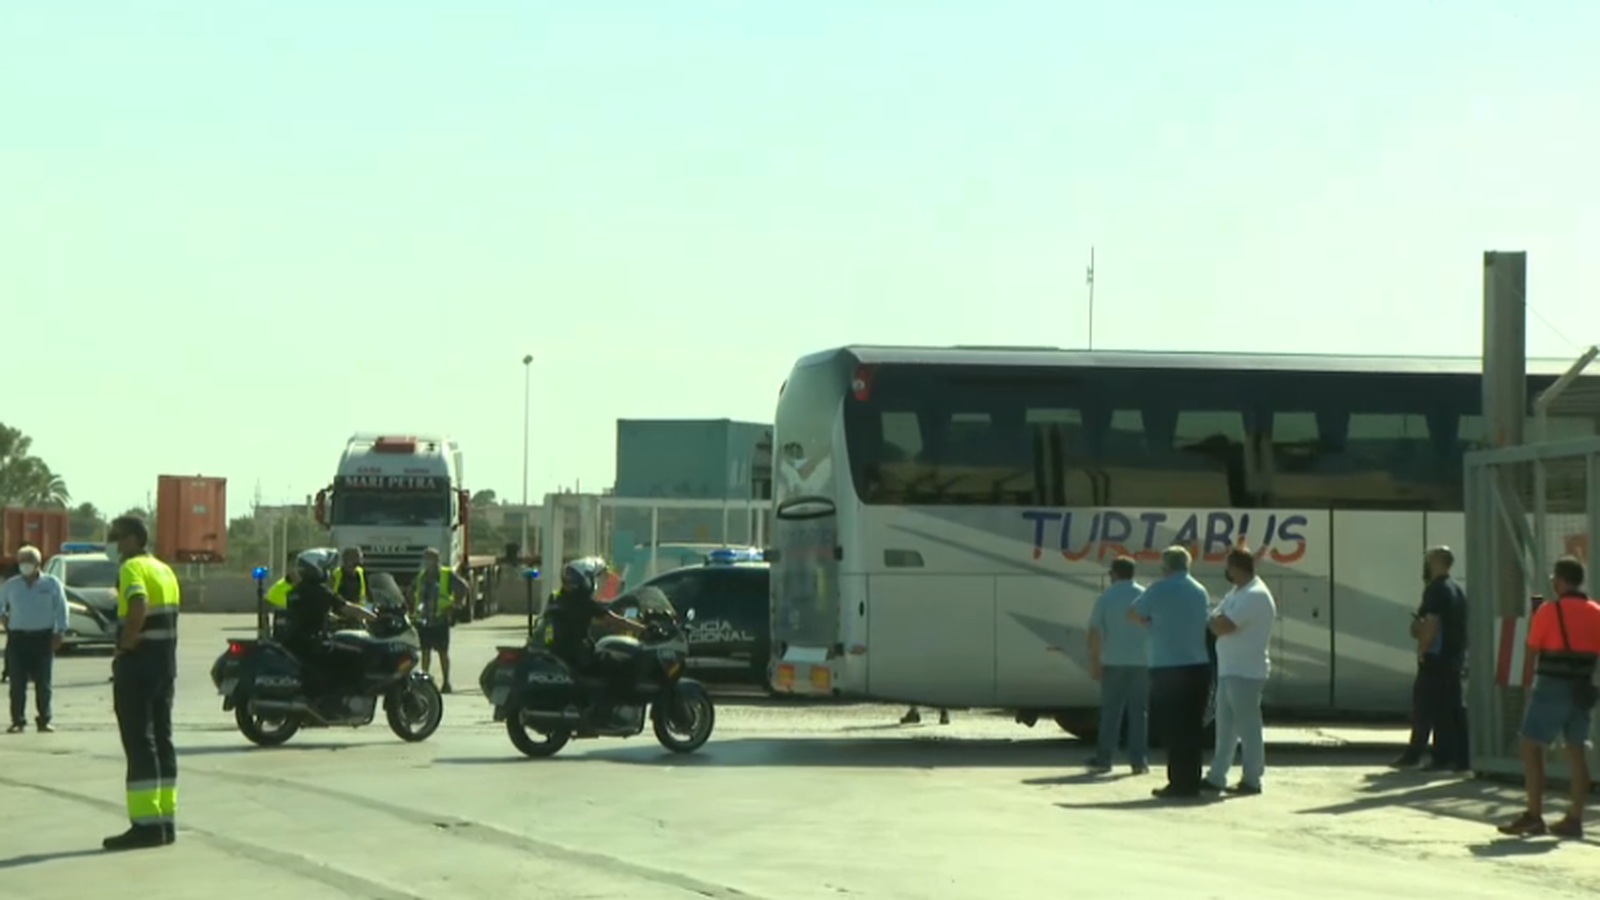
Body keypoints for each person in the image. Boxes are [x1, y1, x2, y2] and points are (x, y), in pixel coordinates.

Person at [1498, 556, 1598, 839]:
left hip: (1551, 685)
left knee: (1531, 746)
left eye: (1555, 577)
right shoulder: (1596, 612)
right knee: (1577, 752)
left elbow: (1532, 647)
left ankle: (1534, 815)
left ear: (1562, 581)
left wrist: (1529, 684)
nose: (1553, 582)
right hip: (1583, 689)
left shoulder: (1548, 611)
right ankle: (1575, 818)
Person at [103, 515, 182, 851]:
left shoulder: (131, 568)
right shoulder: (164, 570)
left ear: (135, 538)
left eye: (117, 536)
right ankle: (164, 822)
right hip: (164, 665)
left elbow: (138, 604)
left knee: (139, 742)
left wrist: (127, 642)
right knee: (162, 740)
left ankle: (145, 826)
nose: (113, 543)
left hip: (138, 664)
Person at [1128, 545, 1213, 799]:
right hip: (1198, 667)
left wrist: (1148, 623)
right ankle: (1192, 782)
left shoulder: (1158, 589)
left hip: (1167, 668)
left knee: (1174, 729)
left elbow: (1133, 612)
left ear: (1165, 567)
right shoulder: (1199, 590)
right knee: (1192, 728)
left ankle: (1177, 783)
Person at [1203, 546, 1276, 794]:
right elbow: (1215, 618)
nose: (1226, 571)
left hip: (1246, 671)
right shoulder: (1237, 592)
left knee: (1248, 728)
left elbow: (1222, 625)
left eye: (1228, 566)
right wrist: (1215, 621)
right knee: (1225, 728)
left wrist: (1215, 621)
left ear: (1236, 568)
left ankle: (1252, 779)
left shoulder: (1255, 595)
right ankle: (1217, 776)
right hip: (1229, 669)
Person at [1395, 546, 1470, 771]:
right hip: (1454, 657)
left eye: (1428, 560)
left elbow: (1432, 624)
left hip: (1436, 659)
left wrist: (1422, 649)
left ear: (1436, 562)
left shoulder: (1435, 590)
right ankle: (1460, 757)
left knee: (1426, 706)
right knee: (1452, 708)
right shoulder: (1456, 589)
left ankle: (1430, 756)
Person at [546, 557, 645, 724]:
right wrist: (644, 629)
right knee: (625, 664)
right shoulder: (583, 602)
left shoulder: (556, 598)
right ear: (584, 580)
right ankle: (607, 709)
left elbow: (590, 619)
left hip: (560, 650)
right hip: (580, 654)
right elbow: (613, 620)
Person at [283, 550, 375, 713]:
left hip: (297, 642)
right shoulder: (320, 591)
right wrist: (375, 618)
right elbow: (348, 608)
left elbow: (308, 613)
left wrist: (331, 618)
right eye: (325, 568)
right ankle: (337, 700)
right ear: (316, 568)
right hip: (314, 643)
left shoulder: (295, 592)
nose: (328, 571)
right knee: (359, 655)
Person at [1087, 555, 1149, 774]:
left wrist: (1095, 661)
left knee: (1111, 712)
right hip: (1141, 663)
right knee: (1138, 713)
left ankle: (1104, 758)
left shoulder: (1105, 597)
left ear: (1114, 574)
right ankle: (1139, 761)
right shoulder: (1144, 595)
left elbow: (1095, 632)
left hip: (1113, 662)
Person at [1, 545, 68, 733]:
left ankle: (44, 720)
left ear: (38, 563)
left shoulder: (51, 584)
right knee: (17, 683)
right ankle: (18, 721)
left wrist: (60, 632)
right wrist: (3, 617)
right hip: (18, 639)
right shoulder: (11, 585)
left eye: (29, 561)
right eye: (22, 561)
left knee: (43, 683)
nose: (25, 564)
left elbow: (61, 608)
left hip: (43, 638)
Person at [409, 548, 469, 694]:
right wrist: (411, 609)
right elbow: (411, 591)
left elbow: (464, 587)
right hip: (424, 620)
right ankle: (424, 681)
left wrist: (456, 605)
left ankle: (446, 682)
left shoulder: (446, 575)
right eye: (426, 559)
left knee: (442, 652)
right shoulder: (421, 576)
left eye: (431, 558)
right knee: (425, 652)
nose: (428, 562)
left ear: (437, 560)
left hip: (440, 619)